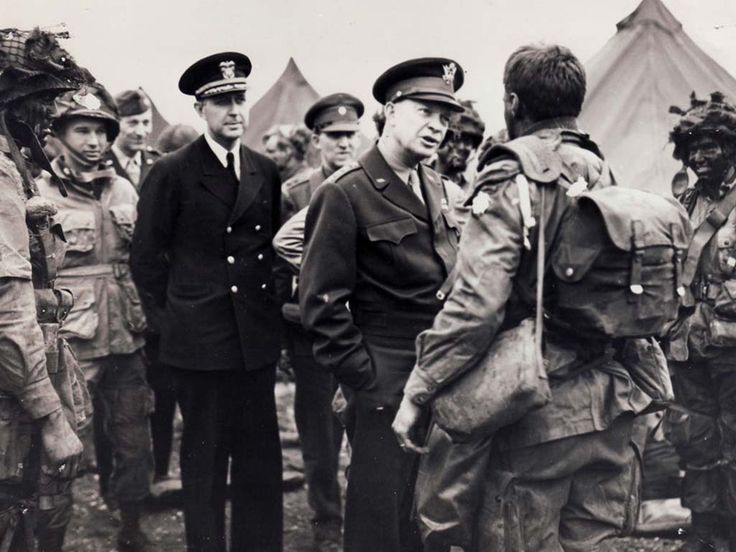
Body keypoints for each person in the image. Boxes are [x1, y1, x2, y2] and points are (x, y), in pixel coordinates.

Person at [393, 44, 652, 552]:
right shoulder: (600, 169)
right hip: (610, 400)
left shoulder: (513, 173)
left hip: (536, 409)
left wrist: (418, 391)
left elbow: (475, 306)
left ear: (513, 103)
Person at [299, 57, 464, 552]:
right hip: (384, 379)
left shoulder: (436, 187)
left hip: (438, 373)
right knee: (377, 520)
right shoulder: (345, 192)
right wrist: (366, 380)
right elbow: (321, 306)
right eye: (424, 111)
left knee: (426, 512)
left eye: (445, 117)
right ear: (390, 111)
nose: (437, 127)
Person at [131, 51, 283, 552]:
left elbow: (272, 254)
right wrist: (172, 322)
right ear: (201, 109)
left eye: (240, 98)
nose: (235, 110)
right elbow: (147, 260)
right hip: (199, 348)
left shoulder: (265, 169)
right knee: (205, 468)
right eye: (222, 102)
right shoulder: (173, 172)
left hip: (254, 345)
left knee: (261, 465)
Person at [37, 83, 155, 551]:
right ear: (60, 136)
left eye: (101, 131)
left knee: (134, 440)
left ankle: (131, 524)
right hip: (72, 342)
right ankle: (51, 536)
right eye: (81, 130)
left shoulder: (124, 187)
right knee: (62, 447)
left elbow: (139, 258)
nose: (93, 141)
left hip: (126, 335)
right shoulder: (42, 193)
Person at [0, 27, 90, 551]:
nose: (47, 116)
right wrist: (52, 419)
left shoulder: (14, 171)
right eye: (40, 102)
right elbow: (8, 315)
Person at [280, 92, 364, 550]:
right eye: (335, 136)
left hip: (358, 327)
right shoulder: (296, 192)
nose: (344, 144)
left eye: (351, 135)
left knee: (361, 422)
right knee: (317, 431)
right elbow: (275, 266)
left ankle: (358, 512)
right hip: (310, 329)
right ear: (316, 140)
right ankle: (325, 517)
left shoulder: (369, 185)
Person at [665, 91, 736, 551]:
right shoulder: (685, 202)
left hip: (733, 344)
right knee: (695, 437)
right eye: (690, 147)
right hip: (689, 342)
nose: (697, 156)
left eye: (708, 145)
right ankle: (707, 529)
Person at [107, 89, 160, 189]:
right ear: (114, 124)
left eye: (146, 122)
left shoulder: (159, 164)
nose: (140, 132)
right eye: (133, 123)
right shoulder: (97, 164)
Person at [433, 99, 484, 189]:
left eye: (467, 141)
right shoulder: (415, 178)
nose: (461, 147)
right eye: (454, 139)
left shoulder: (473, 191)